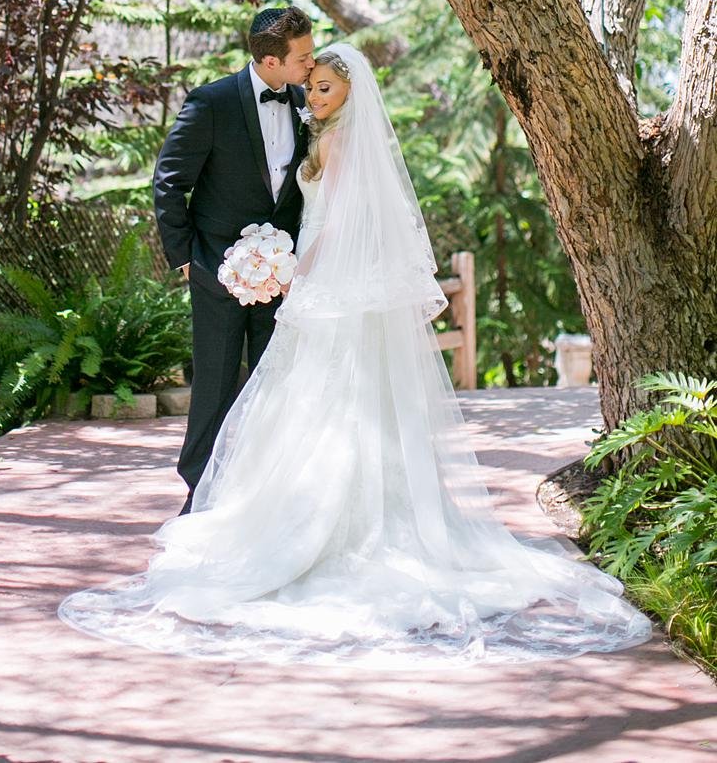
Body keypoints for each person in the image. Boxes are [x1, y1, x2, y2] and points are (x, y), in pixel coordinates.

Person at [59, 44, 652, 666]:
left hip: (322, 280)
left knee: (323, 398)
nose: (311, 97)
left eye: (322, 88)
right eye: (309, 84)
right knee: (299, 397)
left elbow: (337, 222)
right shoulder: (308, 124)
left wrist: (293, 270)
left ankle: (332, 525)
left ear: (348, 93)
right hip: (306, 278)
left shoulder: (338, 141)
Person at [152, 6, 315, 513]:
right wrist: (186, 259)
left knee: (275, 384)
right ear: (270, 61)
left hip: (283, 276)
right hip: (215, 271)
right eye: (303, 57)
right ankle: (199, 494)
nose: (312, 64)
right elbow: (169, 182)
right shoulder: (212, 102)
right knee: (216, 385)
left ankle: (266, 496)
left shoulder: (311, 102)